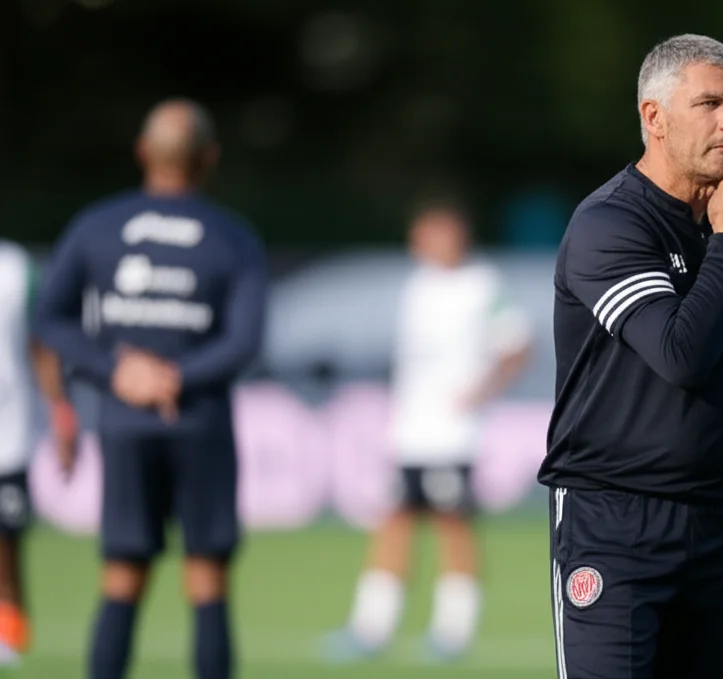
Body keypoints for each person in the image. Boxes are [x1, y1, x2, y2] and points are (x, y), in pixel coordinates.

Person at [537, 34, 723, 678]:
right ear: (654, 117)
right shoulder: (611, 224)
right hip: (613, 518)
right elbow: (681, 354)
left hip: (721, 517)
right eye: (710, 103)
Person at [35, 99, 268, 679]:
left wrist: (118, 371)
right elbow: (244, 342)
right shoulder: (232, 237)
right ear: (209, 160)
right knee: (207, 578)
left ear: (143, 152)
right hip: (200, 421)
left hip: (125, 422)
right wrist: (179, 377)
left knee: (121, 575)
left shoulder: (98, 224)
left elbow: (50, 319)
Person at [324, 200, 532, 662]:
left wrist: (481, 391)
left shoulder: (482, 285)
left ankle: (453, 630)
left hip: (454, 434)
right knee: (394, 522)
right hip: (409, 432)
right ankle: (370, 627)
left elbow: (518, 344)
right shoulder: (416, 285)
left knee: (452, 525)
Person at [0, 241, 77, 664]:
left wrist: (60, 413)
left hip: (7, 433)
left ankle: (7, 635)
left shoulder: (15, 268)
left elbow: (42, 345)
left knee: (6, 542)